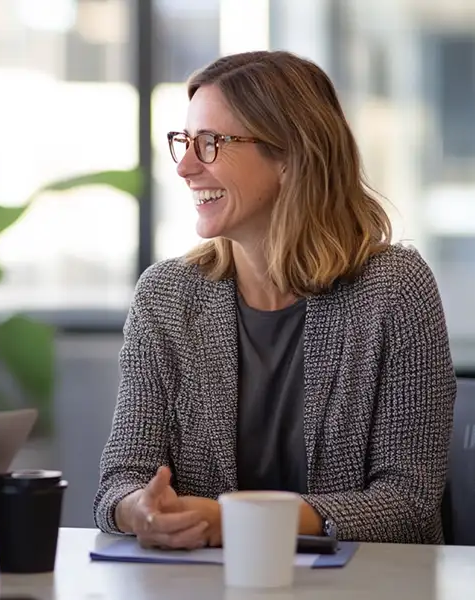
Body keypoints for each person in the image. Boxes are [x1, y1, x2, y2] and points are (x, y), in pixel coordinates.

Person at [94, 50, 456, 547]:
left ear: (289, 155)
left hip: (365, 580)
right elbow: (119, 481)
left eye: (211, 143)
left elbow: (408, 503)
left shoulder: (393, 289)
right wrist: (141, 509)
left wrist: (241, 520)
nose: (185, 167)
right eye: (184, 142)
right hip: (201, 579)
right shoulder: (166, 296)